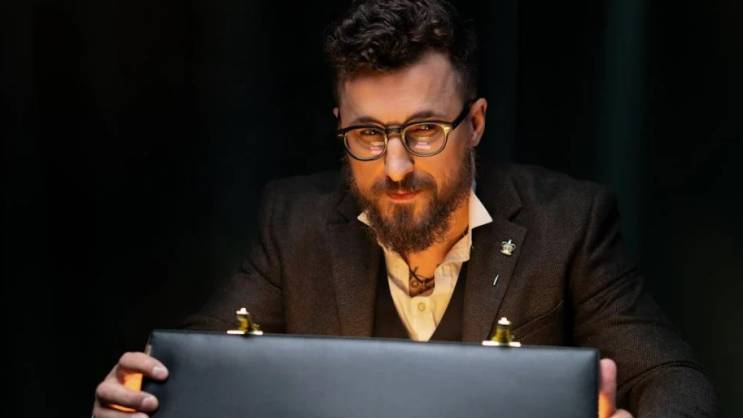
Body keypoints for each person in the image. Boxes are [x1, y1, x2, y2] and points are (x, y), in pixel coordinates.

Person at [92, 1, 717, 417]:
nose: (395, 167)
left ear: (475, 123)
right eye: (368, 134)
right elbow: (200, 365)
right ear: (340, 125)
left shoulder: (569, 222)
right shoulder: (293, 221)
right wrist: (143, 398)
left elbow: (675, 380)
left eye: (423, 131)